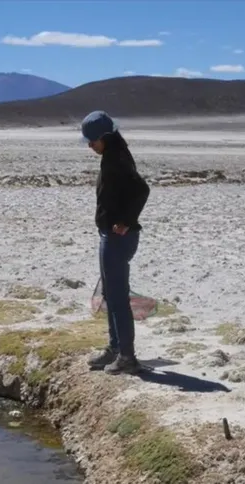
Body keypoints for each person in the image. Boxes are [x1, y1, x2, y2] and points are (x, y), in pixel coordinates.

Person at [81, 110, 150, 375]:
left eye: (92, 140)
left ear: (105, 137)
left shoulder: (117, 159)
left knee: (118, 297)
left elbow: (142, 190)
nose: (89, 145)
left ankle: (127, 357)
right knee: (110, 294)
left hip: (118, 239)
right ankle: (115, 349)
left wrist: (126, 221)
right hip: (110, 235)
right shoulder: (113, 155)